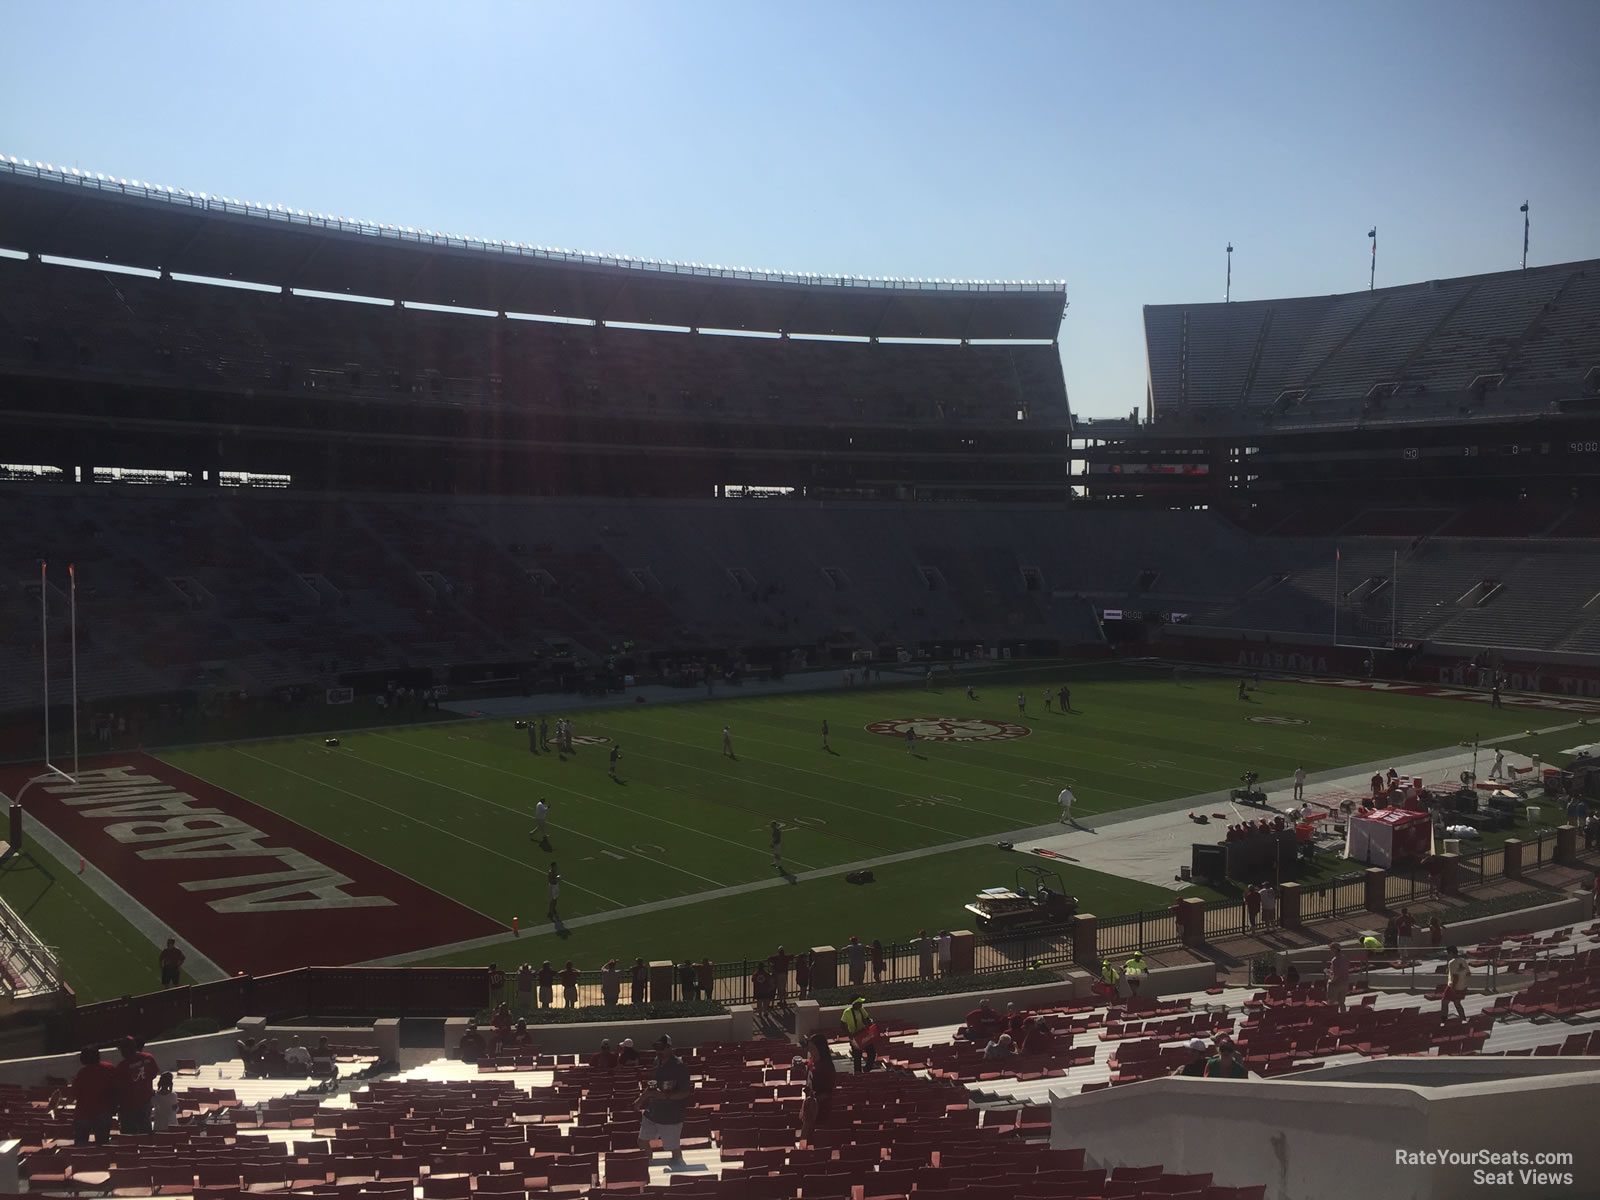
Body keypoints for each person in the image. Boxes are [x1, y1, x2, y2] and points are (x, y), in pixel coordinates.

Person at [636, 1034, 693, 1171]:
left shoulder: (679, 1066)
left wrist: (665, 1096)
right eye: (656, 1048)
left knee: (673, 1147)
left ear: (669, 1048)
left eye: (661, 1048)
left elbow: (685, 1092)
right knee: (642, 1140)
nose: (658, 1051)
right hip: (652, 1110)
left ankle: (679, 1170)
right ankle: (647, 1165)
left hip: (671, 1114)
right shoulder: (656, 1062)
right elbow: (653, 1084)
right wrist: (640, 1100)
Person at [114, 1036, 159, 1135]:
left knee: (129, 1136)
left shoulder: (122, 1067)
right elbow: (153, 1073)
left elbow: (118, 1088)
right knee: (145, 1132)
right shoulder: (148, 1058)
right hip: (145, 1101)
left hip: (128, 1106)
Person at [798, 1032, 836, 1143]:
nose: (810, 1051)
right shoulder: (812, 1061)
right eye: (809, 1048)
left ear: (820, 1049)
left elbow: (828, 1091)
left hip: (820, 1108)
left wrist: (814, 1100)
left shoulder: (826, 1067)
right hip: (811, 1104)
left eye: (813, 1048)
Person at [841, 997, 877, 1073]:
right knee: (857, 1057)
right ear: (855, 1004)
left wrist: (869, 1022)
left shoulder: (862, 1010)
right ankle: (858, 1073)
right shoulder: (847, 1012)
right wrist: (849, 1034)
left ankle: (867, 1069)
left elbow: (867, 1018)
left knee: (872, 1053)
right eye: (859, 1003)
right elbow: (842, 1024)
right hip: (855, 1037)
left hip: (864, 1034)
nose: (861, 1004)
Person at [1442, 946, 1471, 1021]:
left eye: (1448, 953)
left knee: (1444, 1002)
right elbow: (1468, 974)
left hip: (1453, 987)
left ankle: (1443, 1020)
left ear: (1451, 953)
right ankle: (1463, 1019)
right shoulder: (1463, 961)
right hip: (1462, 986)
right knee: (1457, 1004)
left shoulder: (1452, 963)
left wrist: (1453, 989)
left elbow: (1455, 977)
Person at [1325, 943, 1350, 1010]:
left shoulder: (1335, 960)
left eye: (1331, 949)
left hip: (1336, 984)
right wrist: (1330, 972)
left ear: (1335, 949)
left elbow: (1336, 974)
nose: (1330, 950)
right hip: (1345, 982)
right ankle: (1343, 1014)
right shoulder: (1345, 958)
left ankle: (1332, 1015)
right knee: (1342, 1003)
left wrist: (1331, 981)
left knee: (1331, 1003)